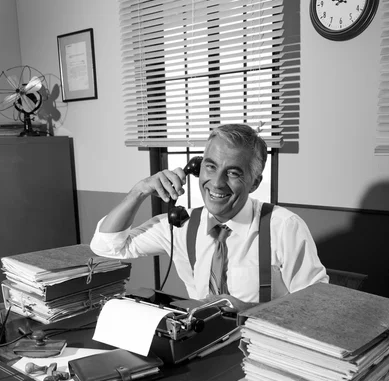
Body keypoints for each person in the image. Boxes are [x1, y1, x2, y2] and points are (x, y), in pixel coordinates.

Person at [90, 124, 328, 310]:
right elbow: (107, 246)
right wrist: (140, 190)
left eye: (233, 172)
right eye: (210, 167)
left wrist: (249, 310)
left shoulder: (284, 226)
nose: (216, 183)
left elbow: (315, 305)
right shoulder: (181, 224)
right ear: (197, 168)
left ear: (254, 183)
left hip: (263, 349)